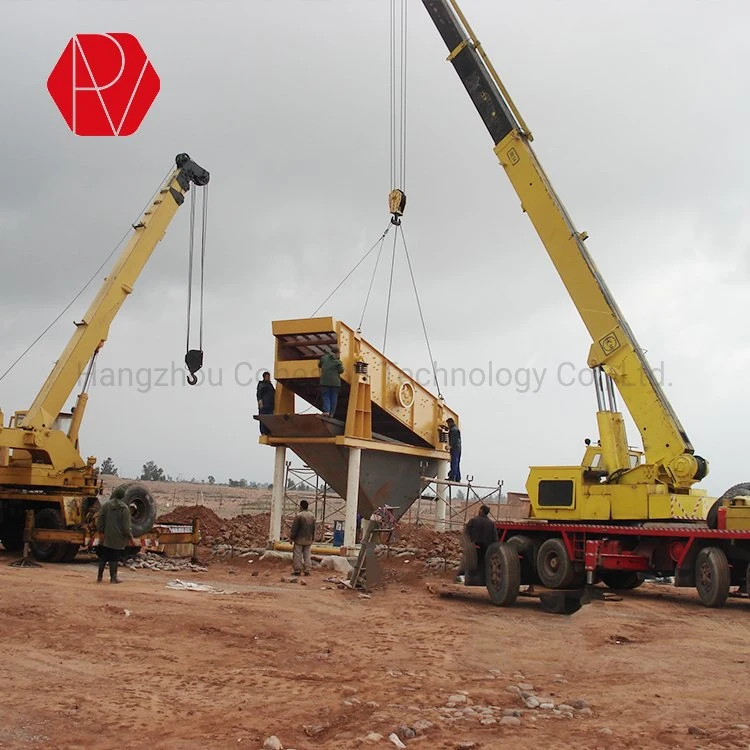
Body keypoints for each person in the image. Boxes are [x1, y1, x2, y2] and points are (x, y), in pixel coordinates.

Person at [95, 487, 136, 584]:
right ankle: (113, 578)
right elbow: (126, 527)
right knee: (114, 557)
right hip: (118, 538)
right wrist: (130, 537)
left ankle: (99, 577)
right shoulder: (124, 509)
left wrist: (101, 531)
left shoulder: (106, 506)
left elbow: (100, 518)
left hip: (106, 536)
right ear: (123, 496)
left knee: (104, 557)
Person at [457, 504, 498, 583]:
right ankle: (482, 581)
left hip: (474, 547)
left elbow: (466, 533)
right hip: (486, 548)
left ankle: (470, 581)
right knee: (483, 564)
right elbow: (495, 538)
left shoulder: (473, 520)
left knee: (471, 564)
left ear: (481, 510)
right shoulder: (491, 524)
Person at [289, 499, 316, 576]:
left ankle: (297, 570)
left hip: (299, 539)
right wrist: (312, 538)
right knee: (307, 555)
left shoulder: (299, 516)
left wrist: (292, 538)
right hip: (308, 539)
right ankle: (307, 570)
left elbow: (295, 528)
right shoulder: (312, 516)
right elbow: (314, 528)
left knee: (297, 555)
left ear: (301, 506)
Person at [318, 345, 344, 417]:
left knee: (326, 396)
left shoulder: (324, 358)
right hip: (335, 383)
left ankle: (326, 411)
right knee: (333, 397)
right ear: (337, 353)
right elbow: (341, 371)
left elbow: (319, 365)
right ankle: (331, 414)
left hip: (324, 381)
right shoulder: (338, 361)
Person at [256, 371, 275, 435]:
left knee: (270, 419)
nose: (269, 377)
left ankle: (269, 431)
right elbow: (259, 394)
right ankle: (263, 432)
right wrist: (260, 402)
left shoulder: (270, 385)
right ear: (264, 377)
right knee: (263, 418)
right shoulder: (262, 384)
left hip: (270, 405)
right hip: (264, 405)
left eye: (269, 376)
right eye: (267, 376)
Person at [446, 417, 462, 482]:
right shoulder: (456, 429)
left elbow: (453, 440)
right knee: (457, 462)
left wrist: (450, 446)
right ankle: (458, 478)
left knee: (454, 462)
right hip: (458, 448)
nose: (447, 425)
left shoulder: (453, 430)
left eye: (448, 424)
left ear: (450, 423)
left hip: (455, 448)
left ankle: (452, 477)